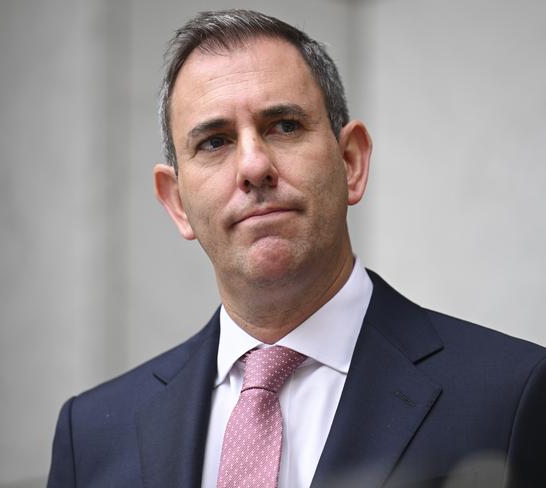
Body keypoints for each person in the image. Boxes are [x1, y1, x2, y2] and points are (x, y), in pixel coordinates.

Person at [48, 9, 546, 488]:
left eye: (283, 125)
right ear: (177, 203)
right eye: (215, 142)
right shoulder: (90, 434)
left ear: (350, 162)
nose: (253, 166)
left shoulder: (510, 397)